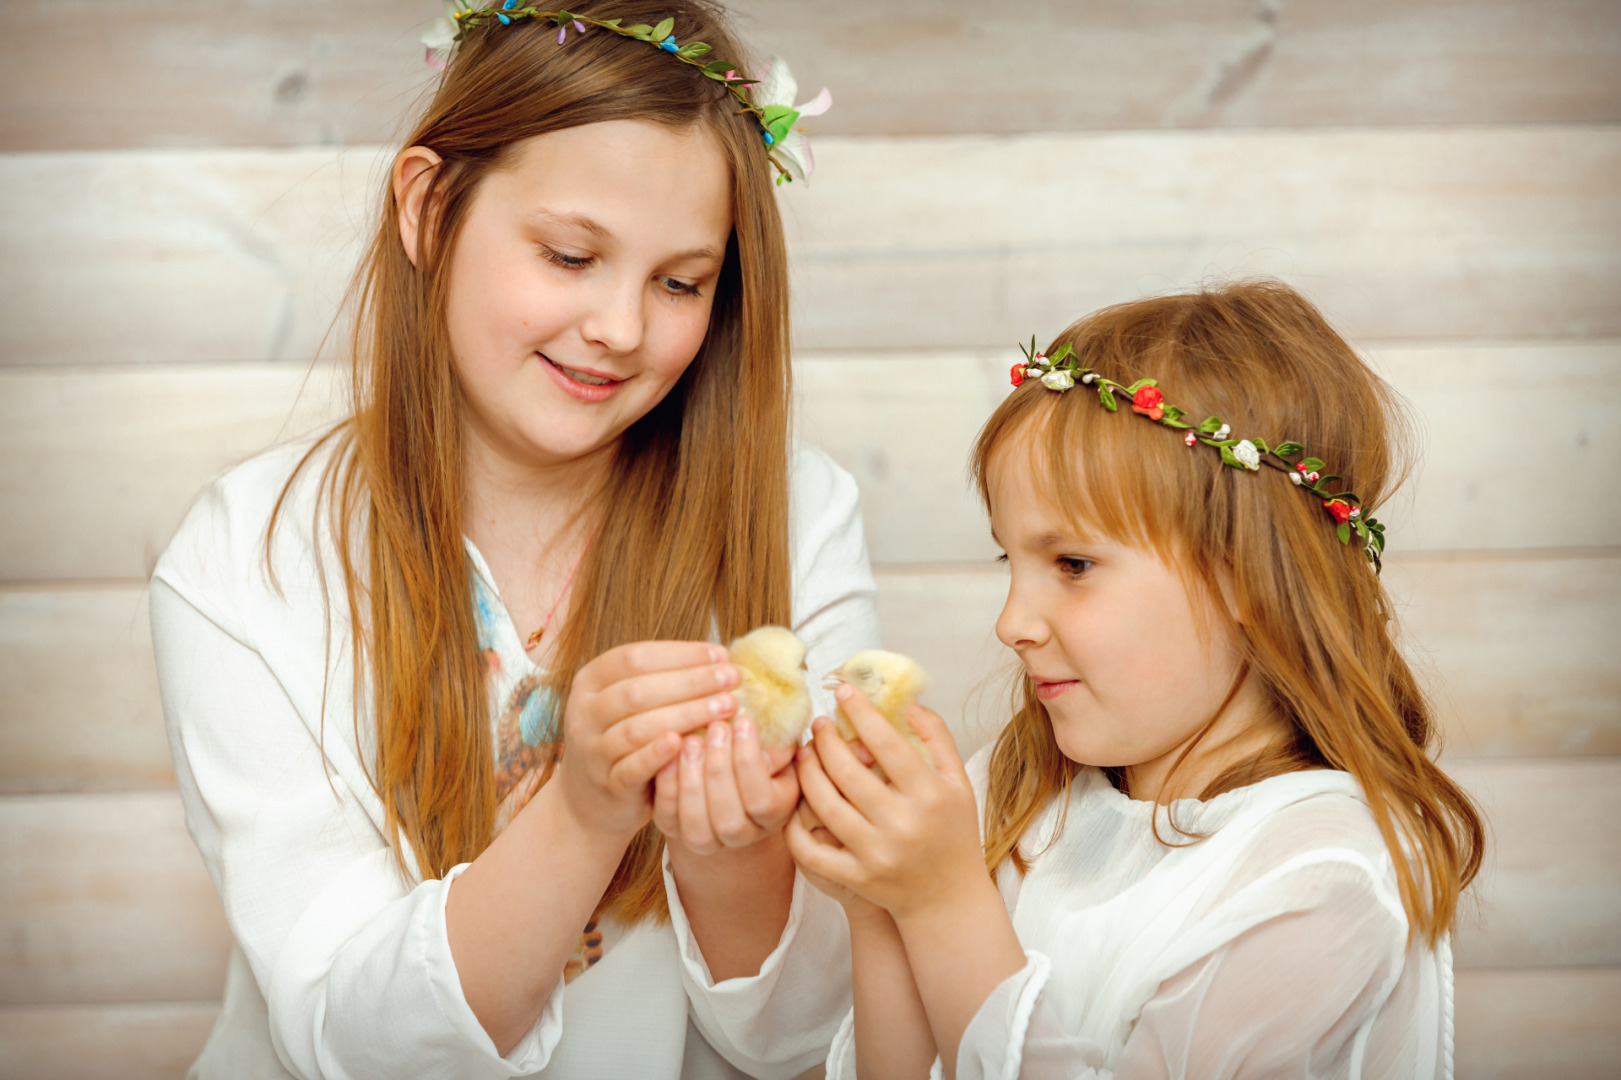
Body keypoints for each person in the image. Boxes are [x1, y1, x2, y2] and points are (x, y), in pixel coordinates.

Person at [150, 3, 876, 1076]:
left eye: (681, 282)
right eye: (571, 255)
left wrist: (737, 857)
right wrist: (582, 813)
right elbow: (349, 1042)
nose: (622, 328)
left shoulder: (793, 512)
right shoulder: (245, 559)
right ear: (430, 207)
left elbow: (804, 1037)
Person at [787, 281, 1485, 1079]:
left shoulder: (1316, 884)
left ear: (1247, 580)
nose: (1011, 622)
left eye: (1072, 564)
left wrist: (943, 904)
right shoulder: (1021, 796)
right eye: (1007, 561)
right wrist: (882, 906)